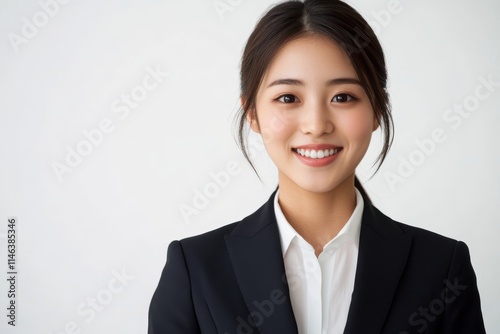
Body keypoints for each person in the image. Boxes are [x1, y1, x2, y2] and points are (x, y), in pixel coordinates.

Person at [148, 0, 486, 333]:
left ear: (377, 111)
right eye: (288, 98)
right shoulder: (195, 269)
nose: (316, 124)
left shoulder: (442, 268)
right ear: (252, 112)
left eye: (342, 97)